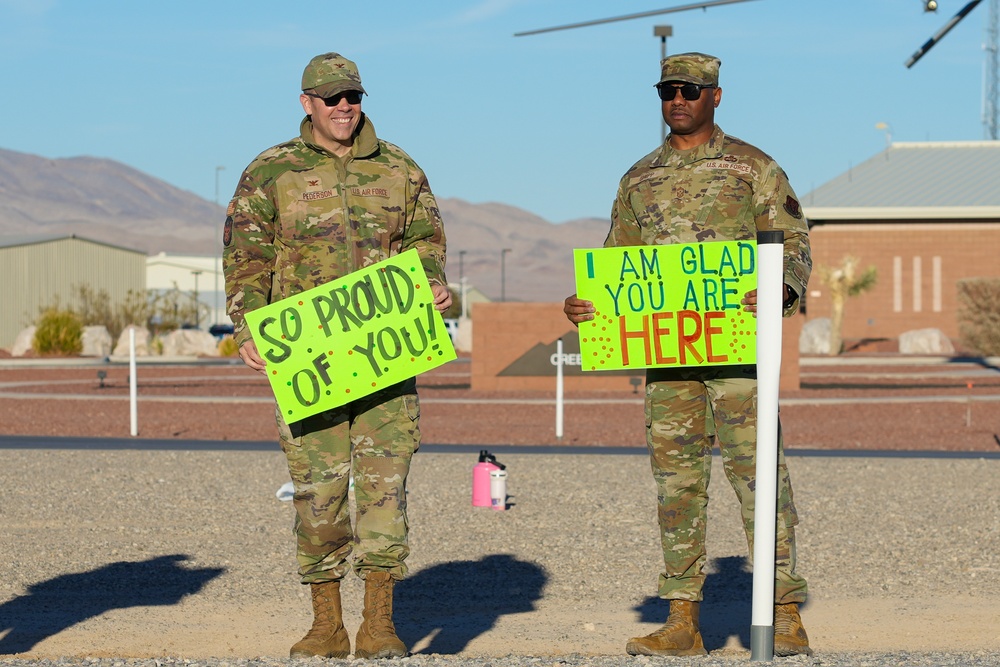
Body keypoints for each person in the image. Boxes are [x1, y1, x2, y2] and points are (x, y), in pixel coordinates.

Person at [563, 52, 812, 657]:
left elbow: (795, 241)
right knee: (677, 486)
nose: (678, 99)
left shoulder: (753, 167)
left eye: (691, 90)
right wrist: (589, 304)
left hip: (737, 358)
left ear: (715, 97)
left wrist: (782, 287)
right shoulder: (639, 178)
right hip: (669, 362)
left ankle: (783, 612)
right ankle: (682, 621)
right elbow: (617, 262)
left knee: (759, 480)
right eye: (668, 89)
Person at [223, 51, 450, 659]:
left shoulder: (400, 168)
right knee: (318, 495)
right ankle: (326, 625)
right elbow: (246, 255)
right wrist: (246, 326)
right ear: (307, 105)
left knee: (384, 491)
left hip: (386, 358)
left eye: (353, 97)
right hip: (309, 362)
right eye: (331, 99)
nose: (344, 107)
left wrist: (431, 280)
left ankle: (379, 625)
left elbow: (427, 238)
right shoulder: (271, 172)